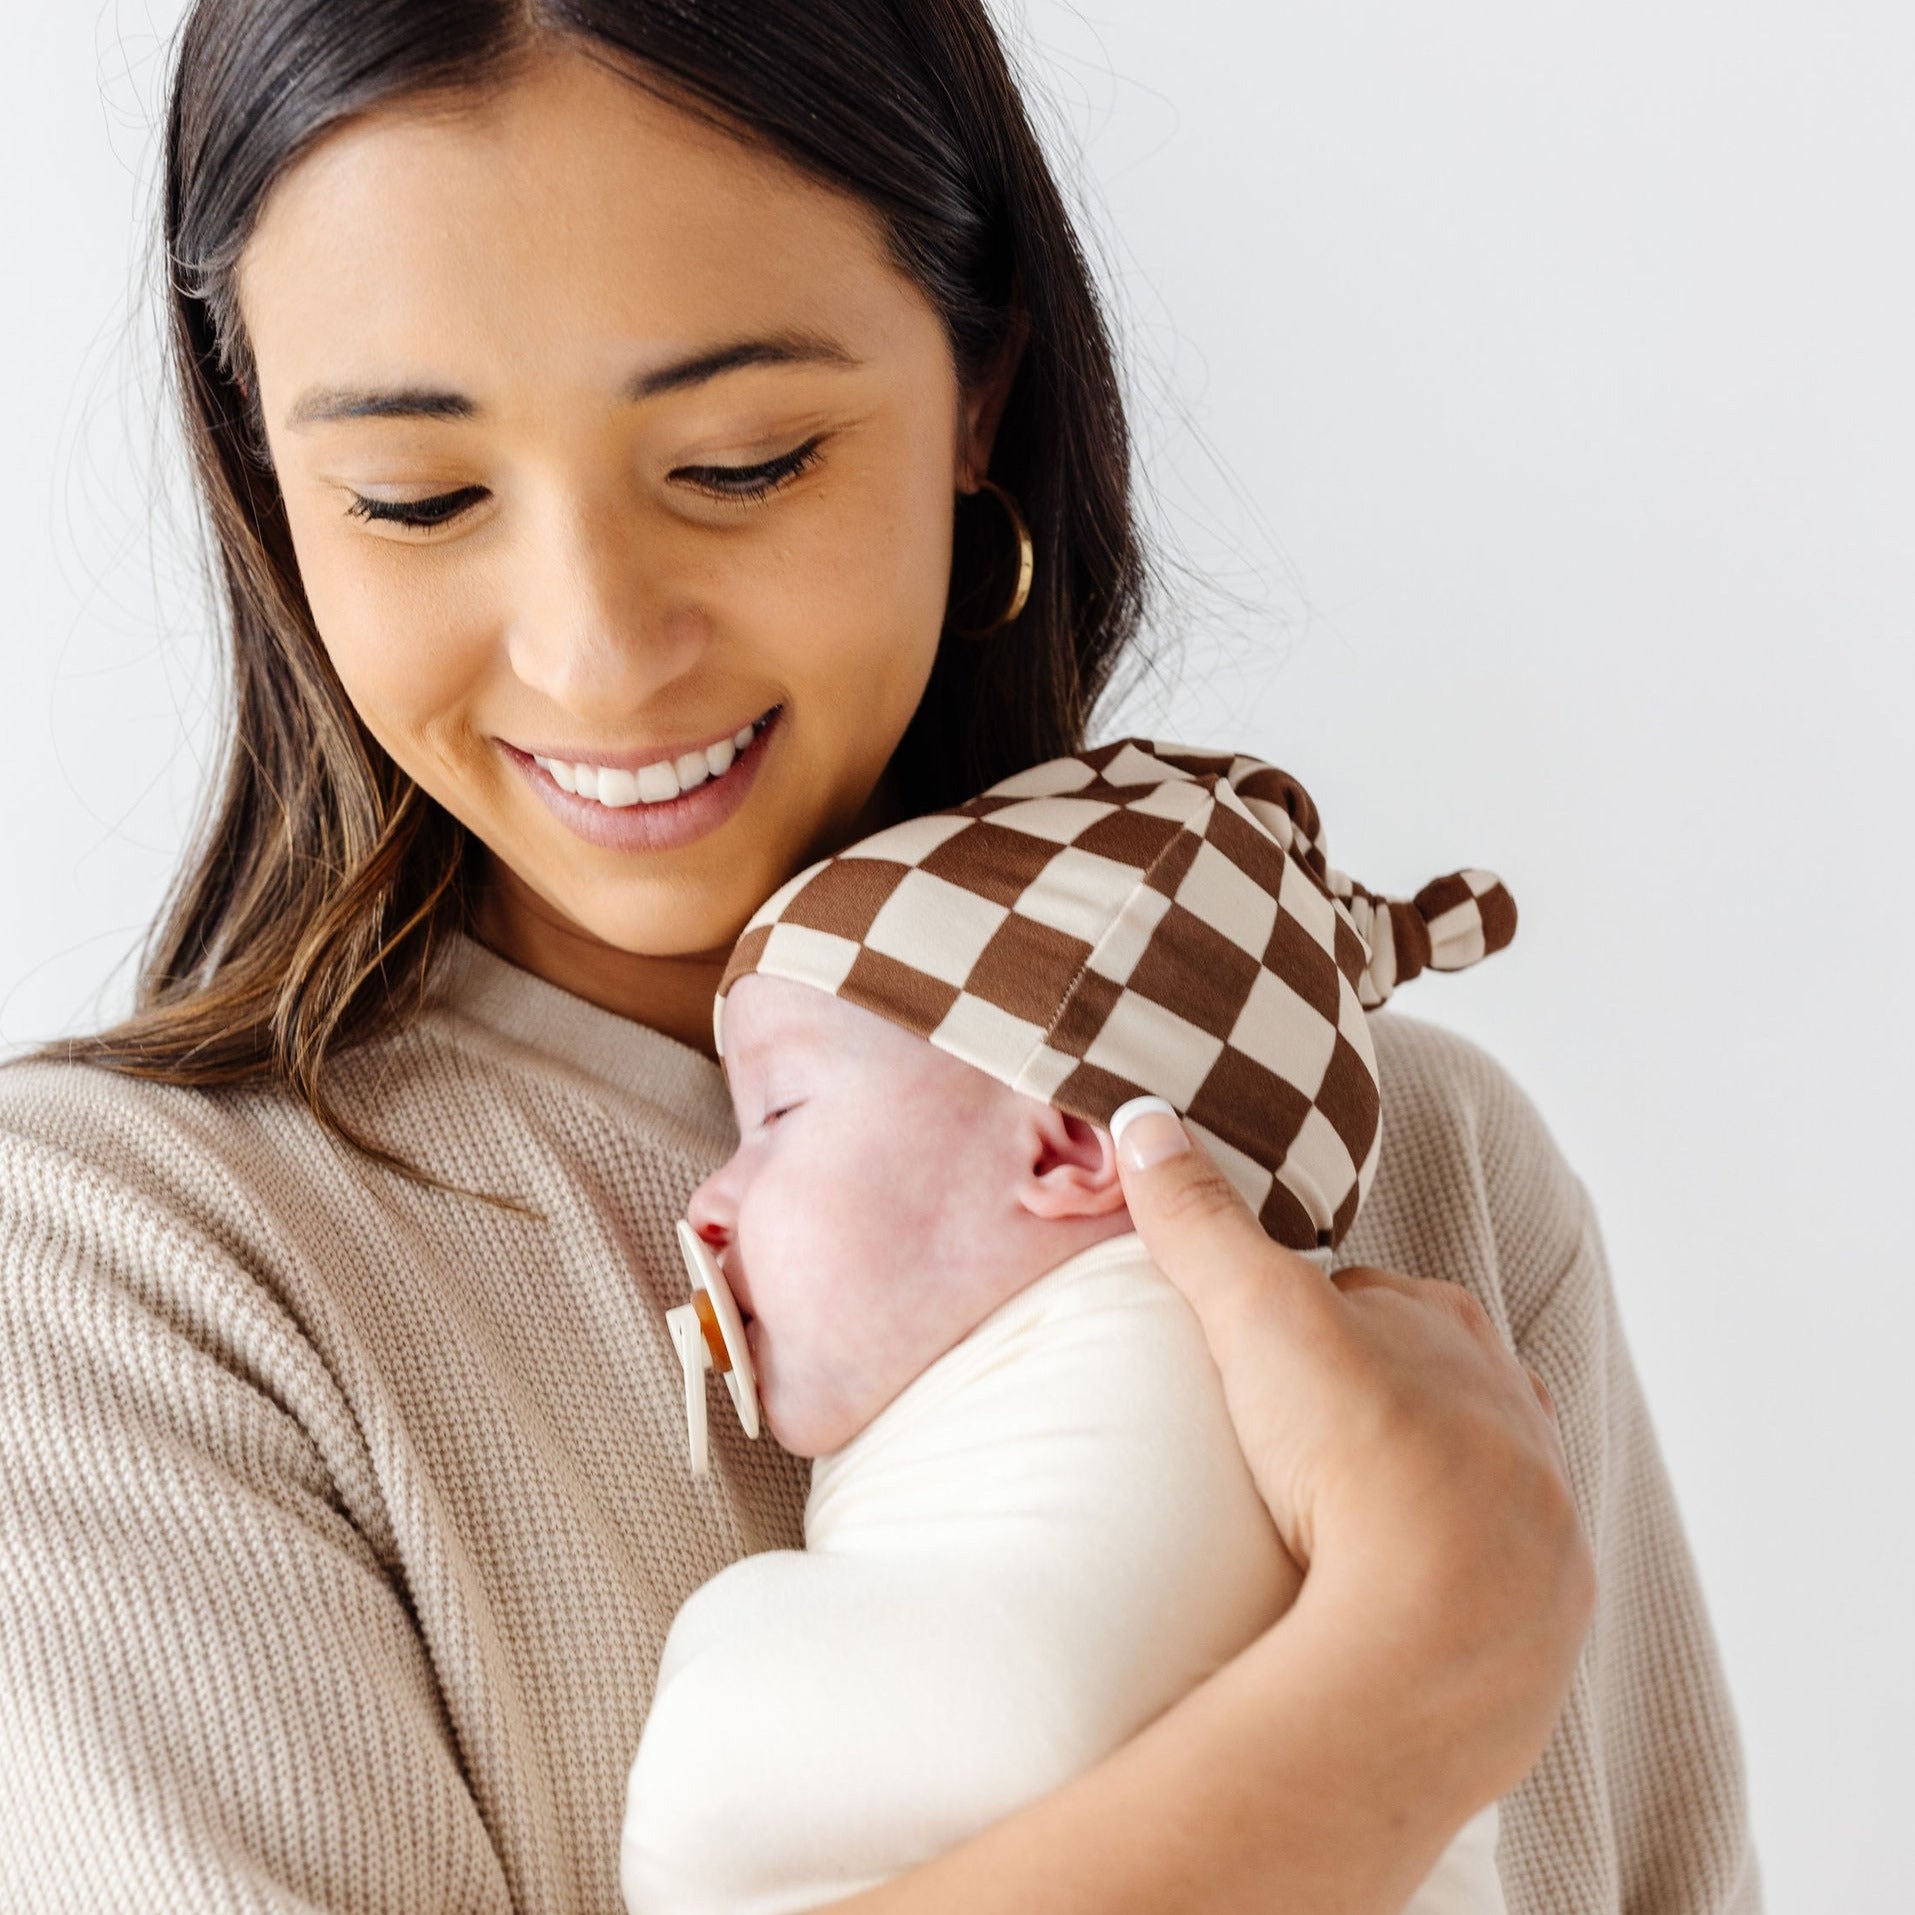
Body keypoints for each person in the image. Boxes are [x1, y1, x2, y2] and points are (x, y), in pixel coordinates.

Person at [0, 4, 1756, 1911]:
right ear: (269, 481)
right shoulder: (127, 1275)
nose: (596, 656)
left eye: (745, 462)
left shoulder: (1413, 1163)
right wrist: (1396, 1696)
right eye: (418, 498)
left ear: (980, 390)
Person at [621, 740, 1517, 1915]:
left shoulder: (1176, 1370)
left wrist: (720, 1643)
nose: (706, 1202)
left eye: (778, 1113)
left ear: (1067, 1148)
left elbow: (1024, 1713)